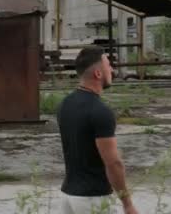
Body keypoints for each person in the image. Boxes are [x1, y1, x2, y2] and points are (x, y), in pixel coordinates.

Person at [57, 46, 138, 214]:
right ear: (98, 74)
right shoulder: (100, 111)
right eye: (108, 65)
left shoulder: (66, 104)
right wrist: (127, 203)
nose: (112, 70)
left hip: (67, 197)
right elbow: (113, 163)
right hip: (93, 200)